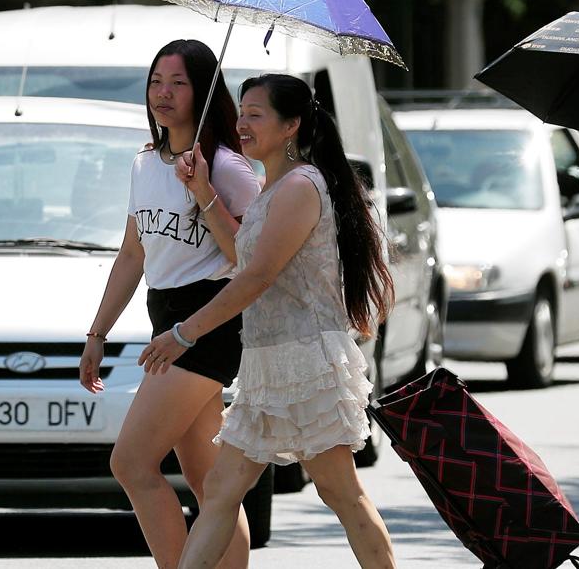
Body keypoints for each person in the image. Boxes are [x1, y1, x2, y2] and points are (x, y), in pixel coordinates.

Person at [139, 73, 397, 569]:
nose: (242, 124)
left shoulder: (302, 186)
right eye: (242, 112)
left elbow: (256, 277)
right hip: (265, 363)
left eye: (256, 114)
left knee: (340, 492)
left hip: (305, 363)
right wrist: (202, 191)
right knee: (219, 491)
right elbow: (242, 254)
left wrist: (183, 333)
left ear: (291, 126)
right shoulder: (272, 186)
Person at [79, 39, 260, 568]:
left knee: (132, 463)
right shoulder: (144, 163)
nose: (163, 92)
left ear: (203, 91)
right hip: (165, 319)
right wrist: (97, 334)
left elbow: (250, 260)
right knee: (212, 484)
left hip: (208, 324)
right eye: (157, 80)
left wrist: (204, 190)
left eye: (178, 83)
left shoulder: (227, 167)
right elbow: (134, 252)